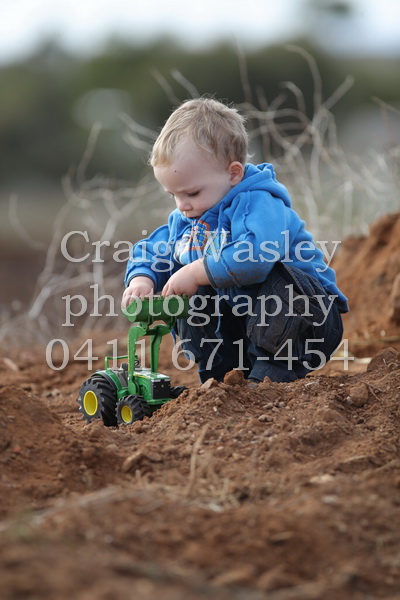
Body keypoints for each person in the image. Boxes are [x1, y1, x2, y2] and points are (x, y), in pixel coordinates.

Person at [122, 97, 349, 383]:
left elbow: (254, 258)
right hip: (247, 324)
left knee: (258, 281)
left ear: (233, 173)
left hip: (308, 319)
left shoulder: (259, 203)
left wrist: (195, 271)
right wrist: (142, 278)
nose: (182, 205)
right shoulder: (189, 218)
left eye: (192, 193)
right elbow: (155, 249)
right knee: (193, 292)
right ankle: (222, 376)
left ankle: (270, 377)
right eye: (173, 195)